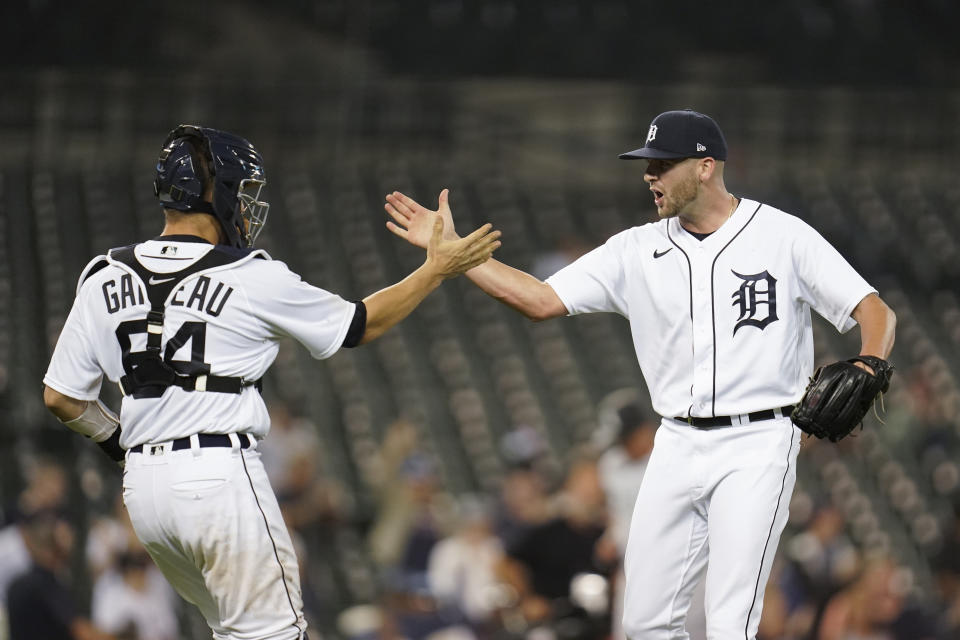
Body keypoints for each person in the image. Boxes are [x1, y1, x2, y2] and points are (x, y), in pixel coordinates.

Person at [383, 109, 896, 639]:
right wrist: (453, 254)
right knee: (645, 623)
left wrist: (869, 359)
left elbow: (874, 309)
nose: (650, 175)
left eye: (663, 164)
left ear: (705, 167)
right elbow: (540, 299)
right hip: (672, 442)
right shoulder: (634, 250)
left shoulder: (782, 236)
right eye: (647, 164)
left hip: (759, 443)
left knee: (729, 622)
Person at [41, 124, 500, 640]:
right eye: (241, 190)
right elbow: (359, 324)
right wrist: (436, 268)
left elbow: (61, 397)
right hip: (218, 476)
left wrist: (118, 444)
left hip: (145, 495)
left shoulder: (102, 274)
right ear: (214, 193)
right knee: (278, 634)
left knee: (233, 633)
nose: (246, 205)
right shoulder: (249, 274)